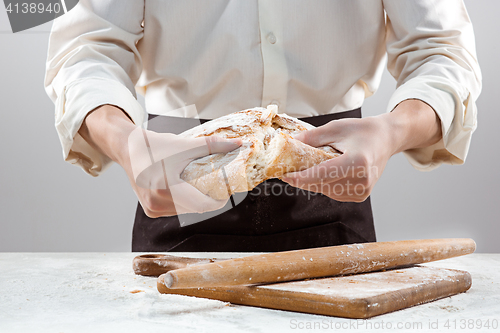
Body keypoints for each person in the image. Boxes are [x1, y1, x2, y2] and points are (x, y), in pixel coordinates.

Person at [44, 1, 481, 252]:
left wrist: (393, 130)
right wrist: (126, 142)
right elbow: (87, 49)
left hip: (330, 193)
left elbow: (441, 49)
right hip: (181, 181)